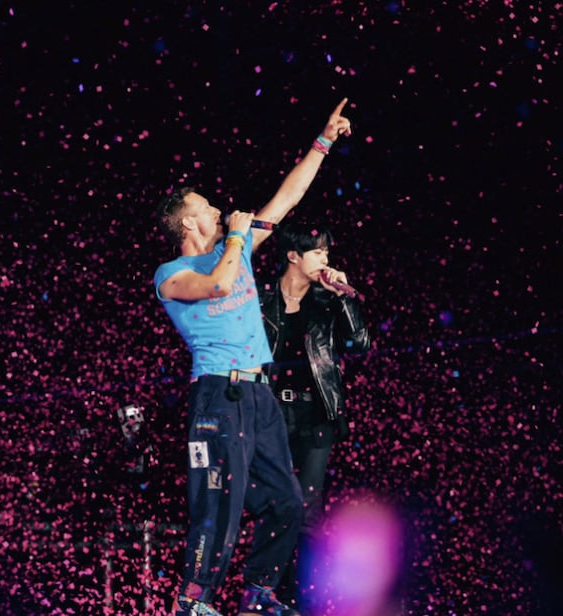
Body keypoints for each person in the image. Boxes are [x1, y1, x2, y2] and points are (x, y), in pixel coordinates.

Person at [153, 99, 352, 616]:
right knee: (219, 502)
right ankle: (193, 602)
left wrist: (323, 142)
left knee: (287, 501)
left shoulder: (236, 250)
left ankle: (257, 594)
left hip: (260, 396)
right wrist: (239, 237)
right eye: (205, 208)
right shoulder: (172, 274)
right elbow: (218, 286)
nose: (217, 210)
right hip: (219, 394)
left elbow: (287, 198)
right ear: (186, 222)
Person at [257, 221, 371, 615]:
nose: (326, 259)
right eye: (318, 251)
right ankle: (265, 595)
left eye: (326, 251)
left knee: (307, 509)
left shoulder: (326, 301)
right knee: (276, 505)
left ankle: (299, 600)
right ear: (293, 255)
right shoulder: (261, 297)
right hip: (270, 414)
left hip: (316, 414)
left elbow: (360, 345)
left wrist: (343, 298)